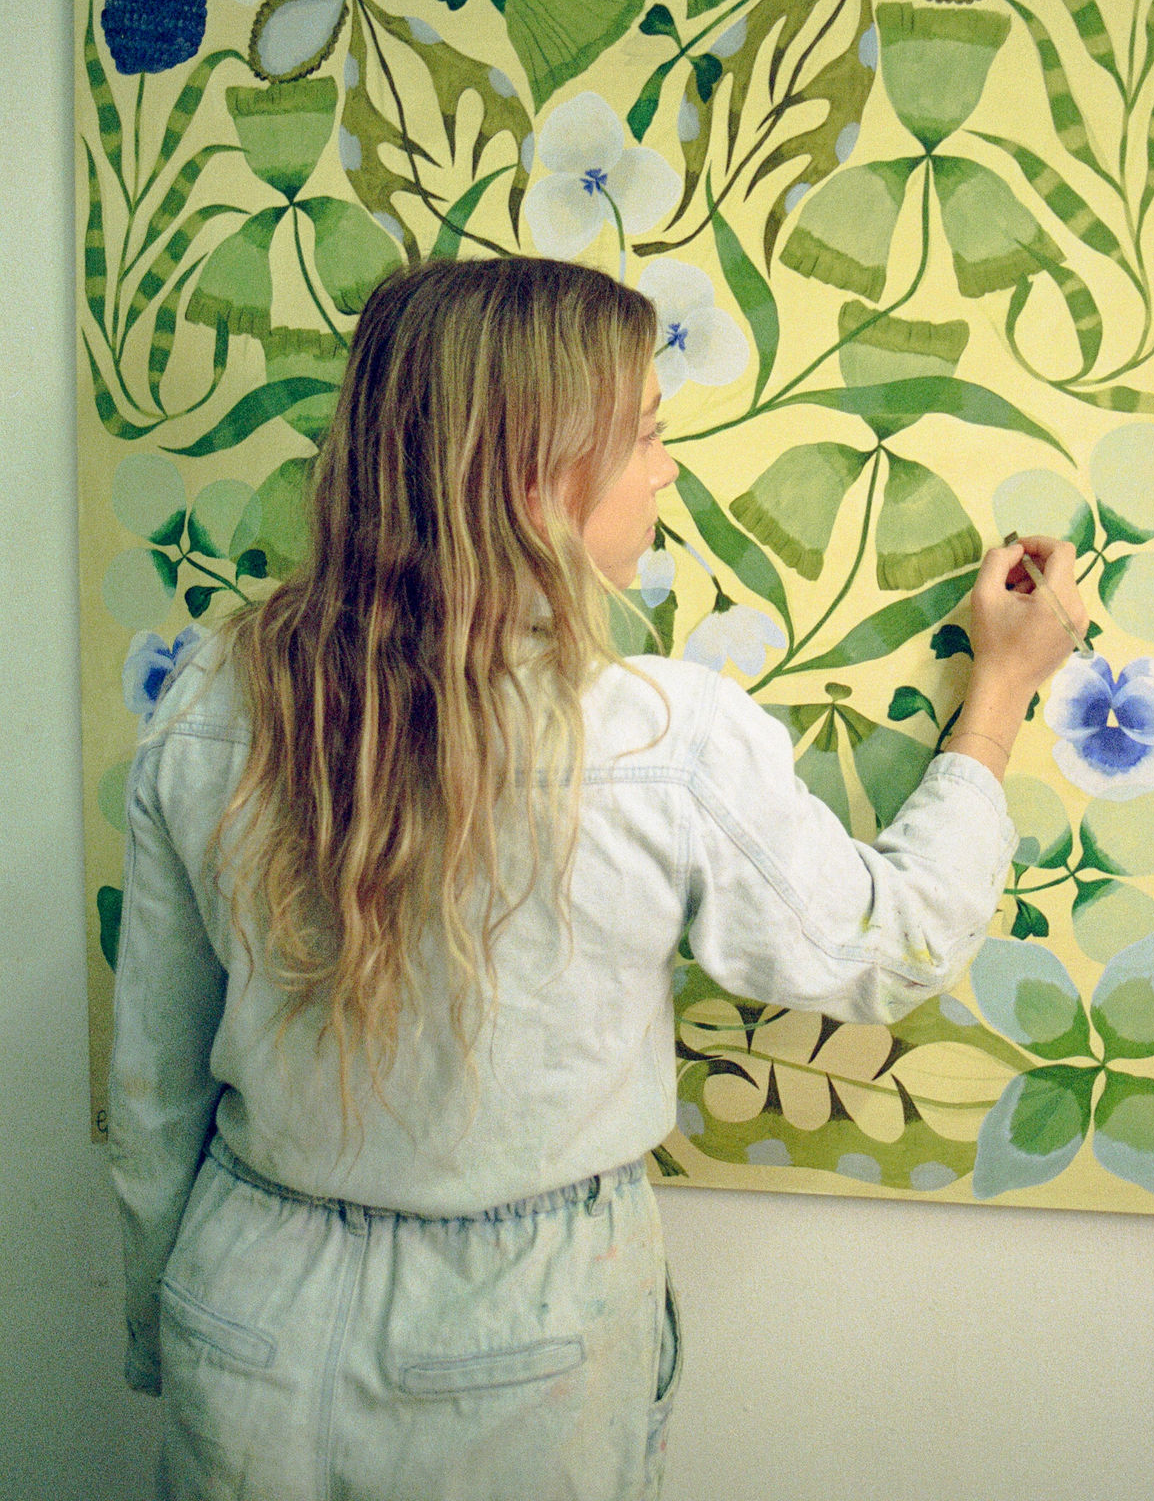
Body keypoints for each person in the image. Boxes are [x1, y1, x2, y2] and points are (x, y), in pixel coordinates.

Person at [108, 255, 1086, 1501]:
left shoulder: (208, 702)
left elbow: (153, 1089)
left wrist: (166, 1334)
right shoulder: (658, 738)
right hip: (516, 1346)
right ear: (536, 477)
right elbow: (886, 947)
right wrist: (999, 694)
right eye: (643, 434)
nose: (667, 468)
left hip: (240, 1306)